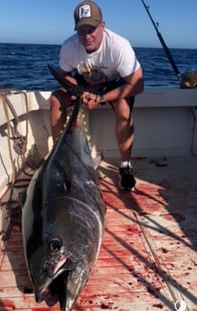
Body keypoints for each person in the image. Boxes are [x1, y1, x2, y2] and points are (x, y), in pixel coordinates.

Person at [49, 0, 144, 190]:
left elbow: (138, 84)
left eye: (91, 29)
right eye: (81, 30)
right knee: (55, 100)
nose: (87, 36)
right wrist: (78, 90)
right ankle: (59, 157)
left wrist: (101, 99)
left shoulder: (119, 46)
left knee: (123, 107)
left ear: (102, 25)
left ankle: (125, 167)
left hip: (114, 85)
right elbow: (62, 74)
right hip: (84, 83)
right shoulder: (69, 46)